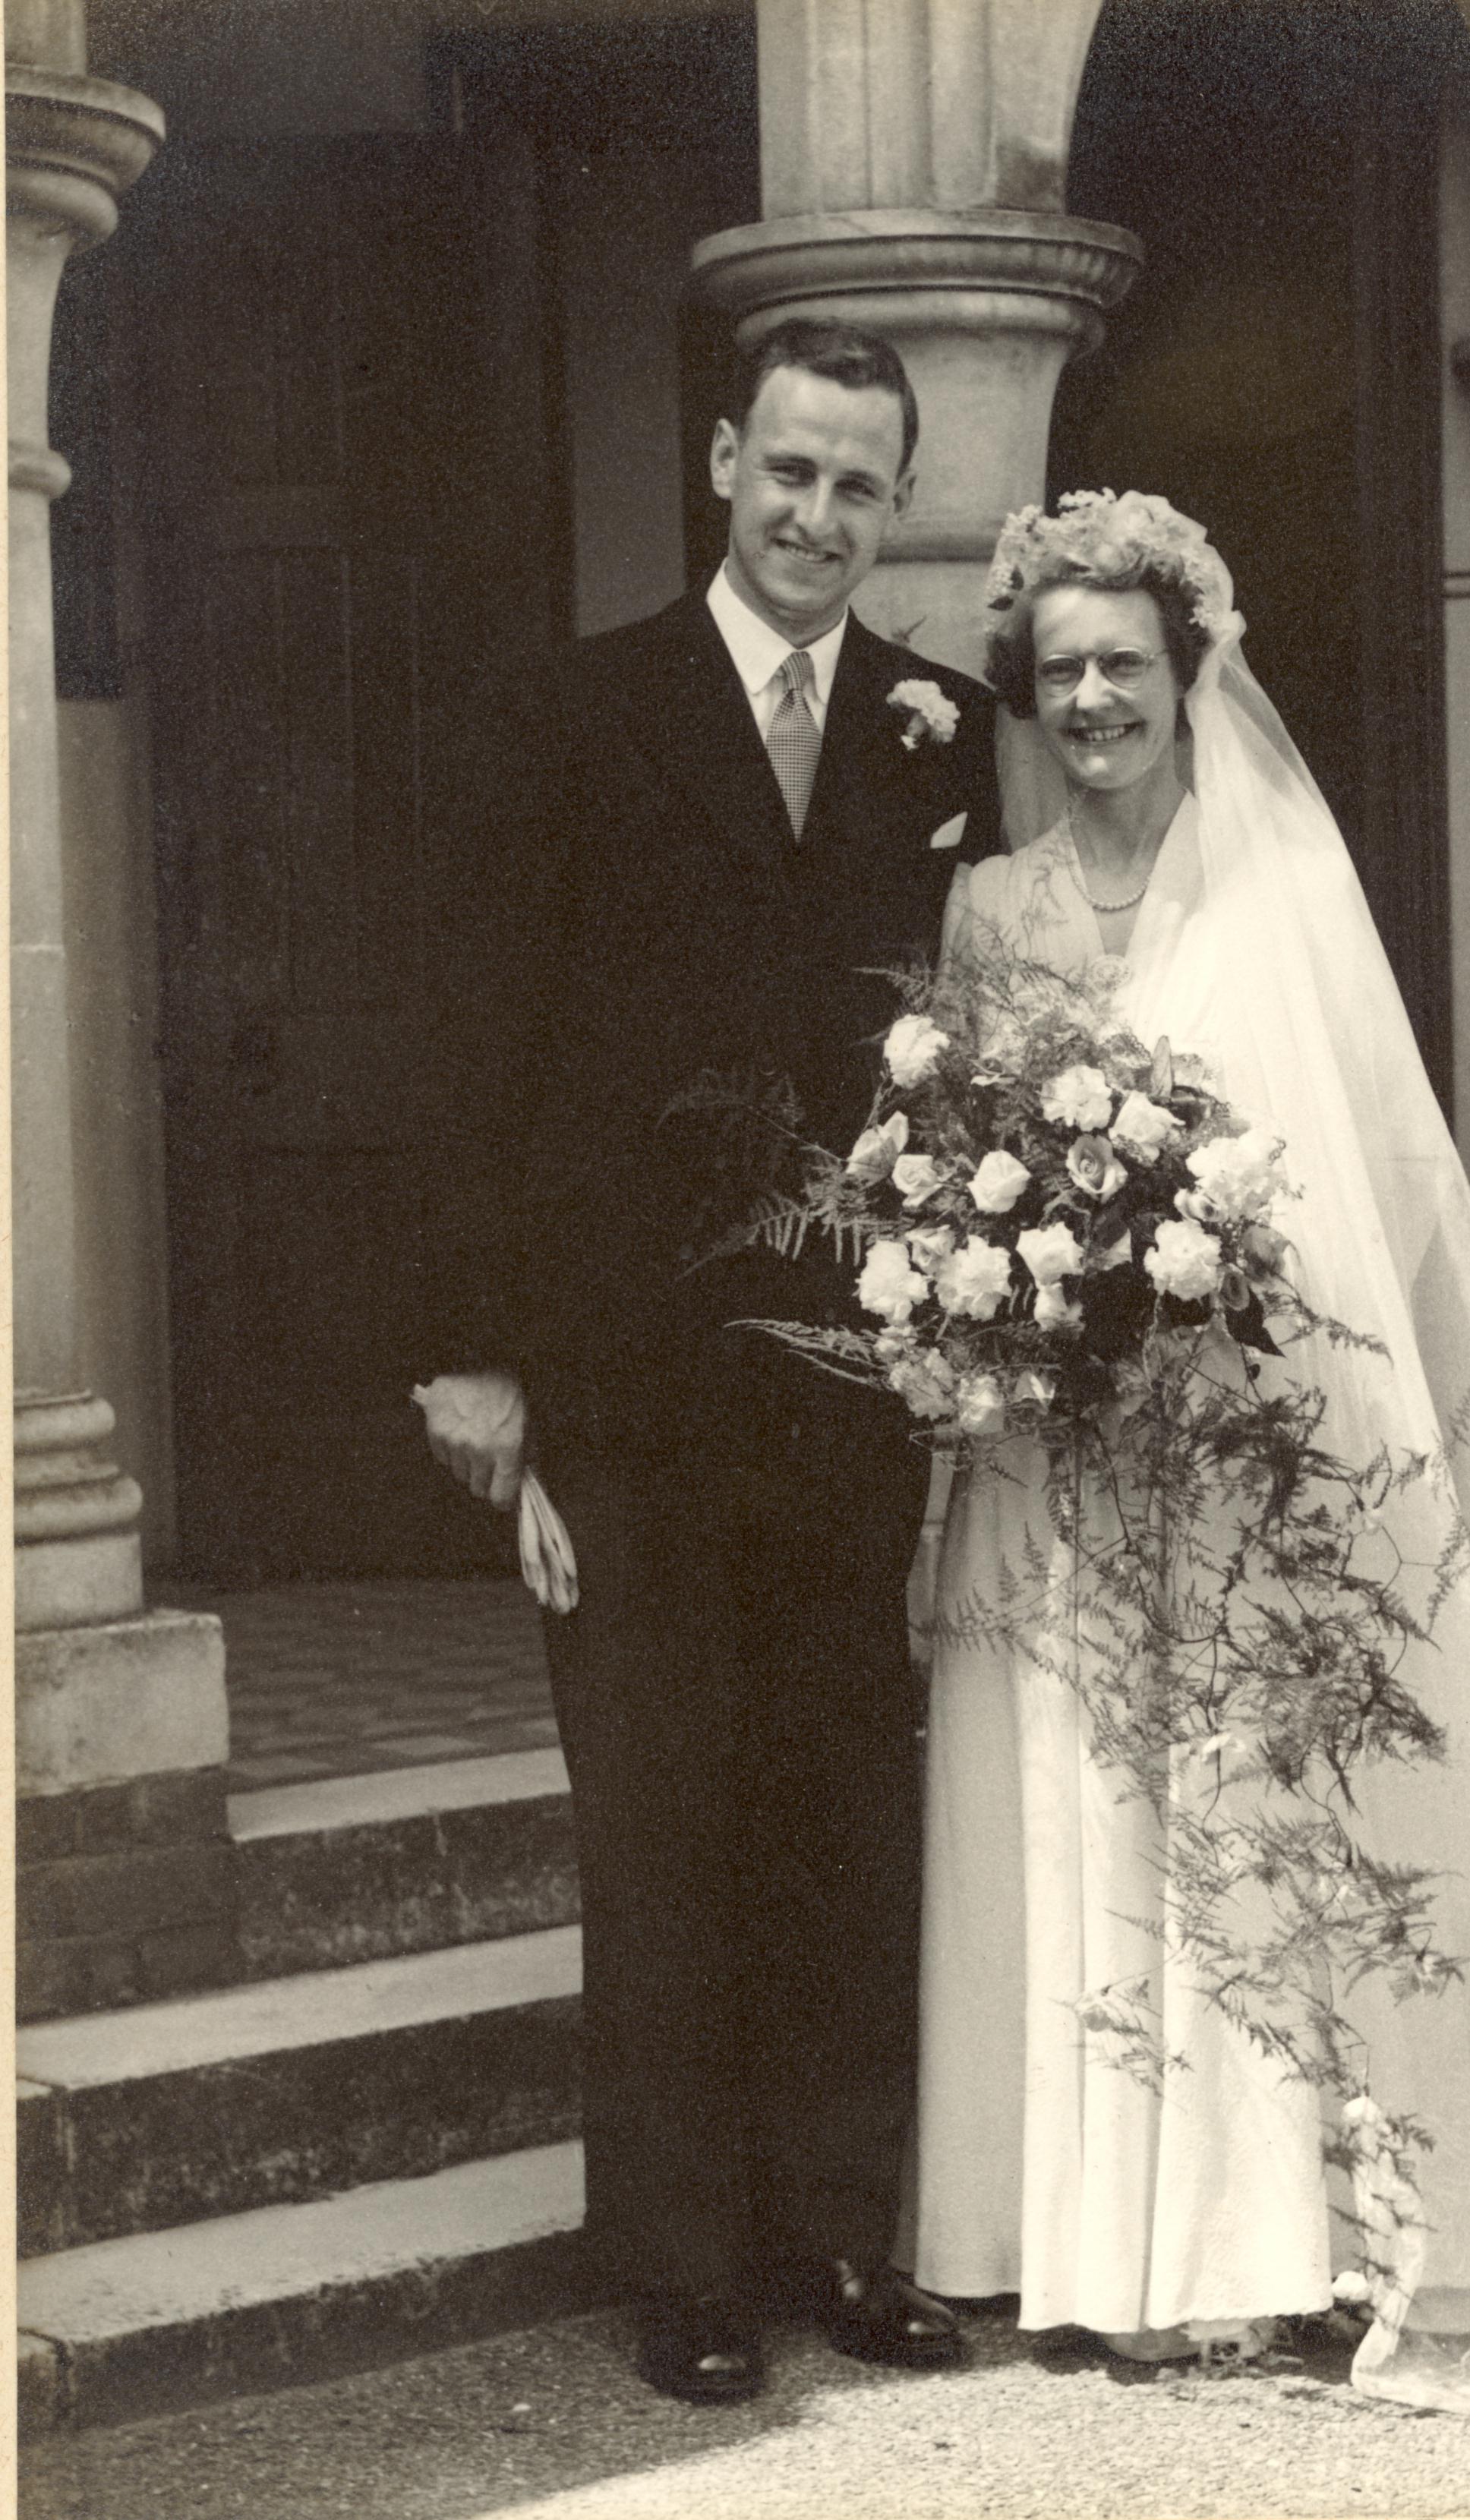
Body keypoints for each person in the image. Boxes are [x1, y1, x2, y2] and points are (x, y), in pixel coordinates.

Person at [913, 492, 1470, 2413]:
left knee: (1263, 1820)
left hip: (1247, 1441)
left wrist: (1231, 1322)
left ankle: (1295, 2234)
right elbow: (954, 1169)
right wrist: (1011, 1303)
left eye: (1126, 665)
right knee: (1079, 1806)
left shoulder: (1277, 892)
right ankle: (1099, 2245)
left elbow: (1368, 1184)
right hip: (1056, 1453)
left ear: (1190, 678)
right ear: (1027, 689)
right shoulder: (989, 908)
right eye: (1062, 670)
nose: (1094, 699)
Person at [416, 320, 999, 2406]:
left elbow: (966, 1053)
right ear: (726, 458)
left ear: (893, 504)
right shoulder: (571, 712)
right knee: (660, 1818)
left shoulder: (944, 735)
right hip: (629, 1377)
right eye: (792, 469)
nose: (818, 516)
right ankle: (682, 2264)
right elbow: (475, 1044)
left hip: (851, 1377)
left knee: (840, 1800)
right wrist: (477, 1360)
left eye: (860, 486)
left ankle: (837, 2229)